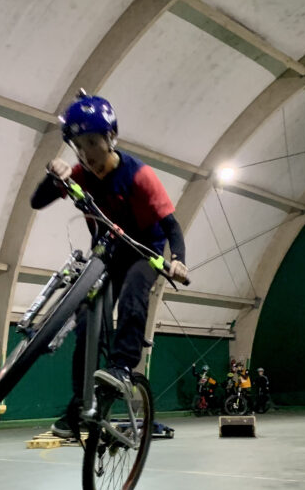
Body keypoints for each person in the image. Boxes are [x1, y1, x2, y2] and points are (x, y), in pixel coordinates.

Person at [30, 91, 189, 438]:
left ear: (111, 138)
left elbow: (172, 226)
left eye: (93, 143)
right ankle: (80, 405)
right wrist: (54, 175)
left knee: (134, 294)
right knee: (87, 322)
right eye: (79, 146)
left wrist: (178, 260)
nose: (87, 153)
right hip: (107, 254)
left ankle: (121, 367)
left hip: (143, 252)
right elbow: (36, 202)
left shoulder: (139, 175)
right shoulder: (78, 174)